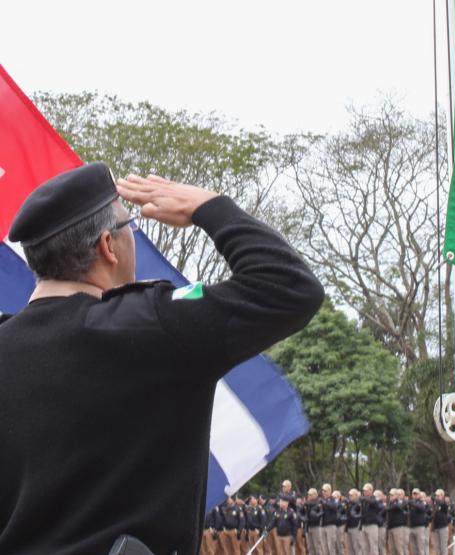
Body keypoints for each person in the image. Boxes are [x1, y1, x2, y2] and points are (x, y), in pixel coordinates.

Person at [0, 165, 324, 553]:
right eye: (130, 228)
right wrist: (209, 206)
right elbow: (289, 287)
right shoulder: (146, 326)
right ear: (108, 245)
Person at [361, 483, 383, 555]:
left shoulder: (374, 498)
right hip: (364, 525)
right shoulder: (364, 500)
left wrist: (365, 498)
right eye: (364, 491)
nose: (365, 492)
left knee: (373, 546)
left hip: (372, 526)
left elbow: (376, 504)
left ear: (371, 491)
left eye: (366, 491)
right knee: (365, 547)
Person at [408, 488, 431, 555]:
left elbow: (421, 508)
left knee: (421, 548)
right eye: (413, 494)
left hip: (420, 528)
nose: (414, 495)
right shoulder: (410, 503)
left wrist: (411, 502)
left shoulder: (422, 502)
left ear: (419, 495)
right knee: (414, 549)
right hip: (411, 527)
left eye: (416, 494)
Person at [387, 489, 409, 555]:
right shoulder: (390, 503)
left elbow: (400, 506)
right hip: (390, 528)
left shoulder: (400, 502)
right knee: (392, 549)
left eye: (392, 495)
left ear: (396, 496)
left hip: (398, 528)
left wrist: (395, 503)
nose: (390, 496)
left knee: (399, 548)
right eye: (390, 495)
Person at [431, 489, 452, 555]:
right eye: (435, 495)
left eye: (437, 495)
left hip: (443, 527)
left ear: (442, 495)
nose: (436, 497)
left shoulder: (444, 502)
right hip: (436, 527)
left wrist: (434, 498)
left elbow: (441, 503)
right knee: (437, 547)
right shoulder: (435, 504)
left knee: (443, 547)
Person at [306, 488, 326, 555]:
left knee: (317, 546)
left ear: (315, 495)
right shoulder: (307, 503)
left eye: (311, 495)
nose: (309, 496)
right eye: (308, 495)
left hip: (316, 526)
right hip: (308, 526)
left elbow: (322, 512)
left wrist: (315, 515)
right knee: (310, 547)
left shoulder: (319, 502)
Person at [346, 489, 365, 554]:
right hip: (349, 527)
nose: (350, 497)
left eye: (351, 495)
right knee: (350, 548)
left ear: (356, 496)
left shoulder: (359, 504)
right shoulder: (349, 504)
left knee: (357, 547)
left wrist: (355, 515)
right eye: (349, 495)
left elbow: (362, 515)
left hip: (356, 527)